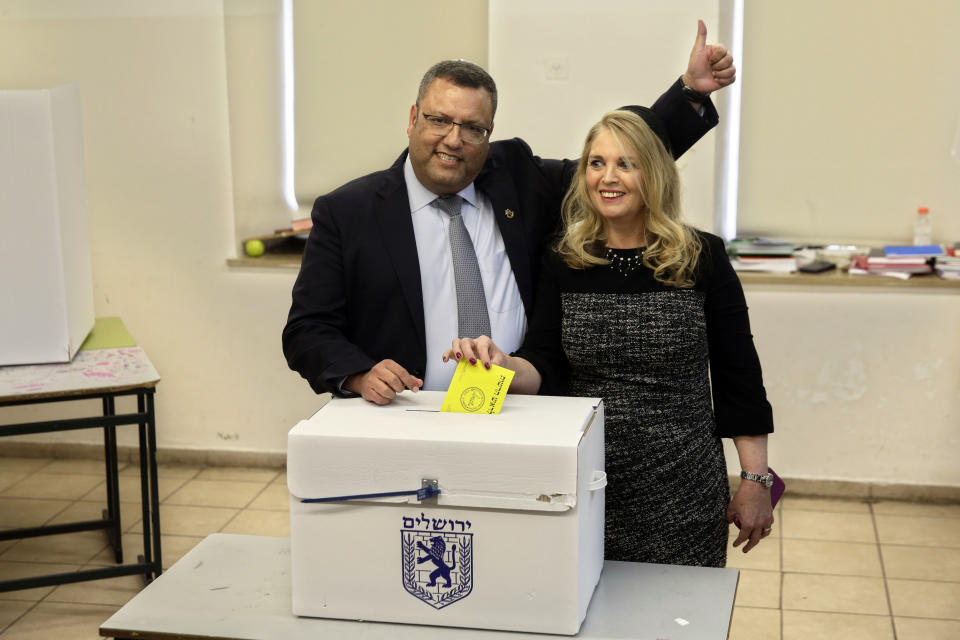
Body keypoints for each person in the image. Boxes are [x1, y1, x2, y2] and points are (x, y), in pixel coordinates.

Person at [283, 22, 736, 405]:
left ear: (490, 132)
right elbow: (308, 329)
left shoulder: (517, 178)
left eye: (472, 128)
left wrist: (688, 94)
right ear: (413, 118)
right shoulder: (348, 212)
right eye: (439, 120)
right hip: (407, 417)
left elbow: (618, 170)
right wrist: (360, 374)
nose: (454, 139)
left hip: (521, 412)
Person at [443, 108, 775, 566]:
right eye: (596, 163)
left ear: (654, 173)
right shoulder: (564, 260)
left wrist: (755, 481)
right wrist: (501, 365)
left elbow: (739, 376)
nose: (608, 177)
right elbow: (545, 362)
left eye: (627, 163)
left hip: (682, 485)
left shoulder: (702, 256)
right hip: (586, 480)